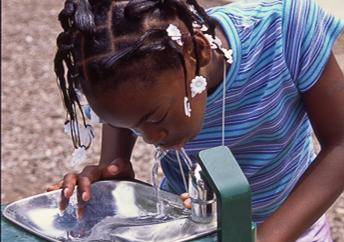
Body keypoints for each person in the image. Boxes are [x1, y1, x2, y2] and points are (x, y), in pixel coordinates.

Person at [48, 0, 344, 241]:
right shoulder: (128, 72)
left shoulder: (283, 31)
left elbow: (340, 144)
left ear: (200, 51)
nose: (151, 139)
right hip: (190, 229)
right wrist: (112, 180)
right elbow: (125, 118)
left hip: (289, 226)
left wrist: (264, 238)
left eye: (156, 117)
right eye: (134, 126)